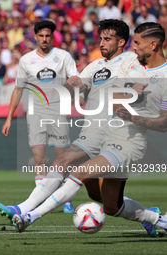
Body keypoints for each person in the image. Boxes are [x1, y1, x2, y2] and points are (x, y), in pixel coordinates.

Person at [12, 22, 167, 235]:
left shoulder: (148, 68)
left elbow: (164, 123)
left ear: (153, 45)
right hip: (104, 136)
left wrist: (133, 113)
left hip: (128, 142)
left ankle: (29, 216)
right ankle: (157, 219)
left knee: (79, 170)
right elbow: (111, 96)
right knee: (112, 206)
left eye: (138, 43)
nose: (135, 47)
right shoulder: (127, 66)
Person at [0, 18, 137, 230]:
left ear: (122, 42)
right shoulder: (95, 65)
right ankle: (22, 209)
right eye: (101, 38)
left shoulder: (132, 61)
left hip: (117, 137)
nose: (102, 43)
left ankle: (29, 216)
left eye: (108, 39)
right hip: (92, 134)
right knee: (70, 169)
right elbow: (78, 82)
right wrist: (71, 87)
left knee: (111, 204)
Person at [0, 20, 78, 217]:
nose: (44, 39)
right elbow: (18, 90)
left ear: (52, 37)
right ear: (35, 37)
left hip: (57, 113)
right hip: (35, 114)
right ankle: (41, 199)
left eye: (48, 36)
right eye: (41, 36)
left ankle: (66, 200)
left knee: (62, 159)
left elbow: (75, 78)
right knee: (39, 160)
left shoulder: (63, 56)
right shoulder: (26, 60)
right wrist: (9, 117)